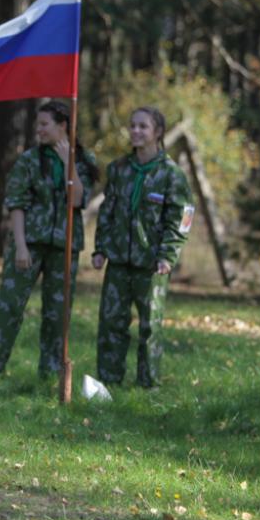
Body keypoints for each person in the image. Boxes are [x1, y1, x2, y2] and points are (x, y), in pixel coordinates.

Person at [0, 100, 98, 379]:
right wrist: (20, 246)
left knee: (58, 313)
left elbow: (78, 199)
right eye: (37, 125)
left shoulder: (84, 160)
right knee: (9, 305)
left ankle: (51, 372)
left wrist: (70, 165)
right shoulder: (30, 160)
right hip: (28, 243)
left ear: (63, 126)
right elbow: (17, 205)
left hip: (65, 246)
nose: (39, 130)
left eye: (44, 125)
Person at [91, 106, 194, 388]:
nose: (135, 131)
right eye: (133, 126)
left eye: (143, 127)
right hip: (118, 263)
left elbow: (182, 218)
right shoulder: (119, 169)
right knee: (111, 323)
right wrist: (100, 248)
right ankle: (108, 382)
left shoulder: (171, 175)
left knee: (149, 327)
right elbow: (107, 212)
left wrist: (168, 254)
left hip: (151, 264)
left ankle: (148, 385)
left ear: (157, 133)